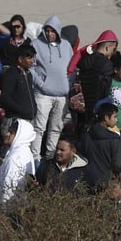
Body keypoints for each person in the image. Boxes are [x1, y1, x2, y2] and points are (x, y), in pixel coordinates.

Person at [30, 15, 74, 163]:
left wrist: (68, 85)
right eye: (47, 30)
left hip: (62, 95)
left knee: (56, 128)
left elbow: (72, 68)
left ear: (58, 31)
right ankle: (35, 158)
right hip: (43, 94)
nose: (49, 33)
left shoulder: (66, 46)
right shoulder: (36, 44)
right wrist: (41, 84)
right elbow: (31, 67)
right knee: (39, 127)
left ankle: (50, 158)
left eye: (52, 30)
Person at [74, 30, 119, 134]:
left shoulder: (84, 61)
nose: (113, 52)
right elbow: (105, 90)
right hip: (99, 109)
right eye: (113, 49)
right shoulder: (106, 65)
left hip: (84, 107)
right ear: (107, 47)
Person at [77, 102, 121, 192]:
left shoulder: (85, 135)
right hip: (105, 182)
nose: (116, 120)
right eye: (115, 117)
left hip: (85, 180)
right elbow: (118, 164)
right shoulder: (113, 138)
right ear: (106, 117)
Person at [0, 119, 36, 205]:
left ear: (20, 135)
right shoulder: (26, 152)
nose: (7, 134)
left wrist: (2, 211)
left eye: (11, 132)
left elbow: (8, 188)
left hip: (10, 208)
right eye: (8, 131)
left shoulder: (15, 158)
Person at [0, 44, 37, 122]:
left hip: (28, 119)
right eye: (29, 58)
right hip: (15, 120)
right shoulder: (11, 73)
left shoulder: (28, 74)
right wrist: (20, 110)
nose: (32, 61)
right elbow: (5, 98)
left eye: (33, 58)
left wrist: (34, 108)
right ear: (20, 59)